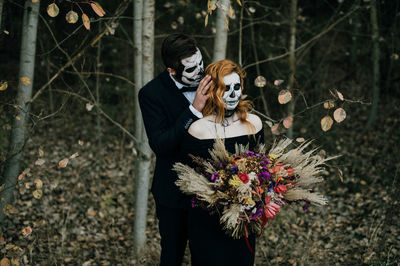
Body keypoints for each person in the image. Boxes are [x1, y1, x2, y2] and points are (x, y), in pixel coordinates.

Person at [178, 59, 264, 266]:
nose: (233, 94)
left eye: (237, 87)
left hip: (243, 219)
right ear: (213, 90)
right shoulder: (198, 129)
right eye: (226, 88)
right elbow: (190, 181)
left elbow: (262, 168)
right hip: (207, 221)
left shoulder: (253, 123)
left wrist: (255, 194)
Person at [138, 34, 213, 265]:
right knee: (172, 256)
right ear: (172, 71)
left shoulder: (211, 77)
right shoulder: (151, 94)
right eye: (192, 69)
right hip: (173, 193)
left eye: (201, 63)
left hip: (212, 190)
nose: (201, 72)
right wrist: (194, 109)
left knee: (209, 256)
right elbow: (161, 144)